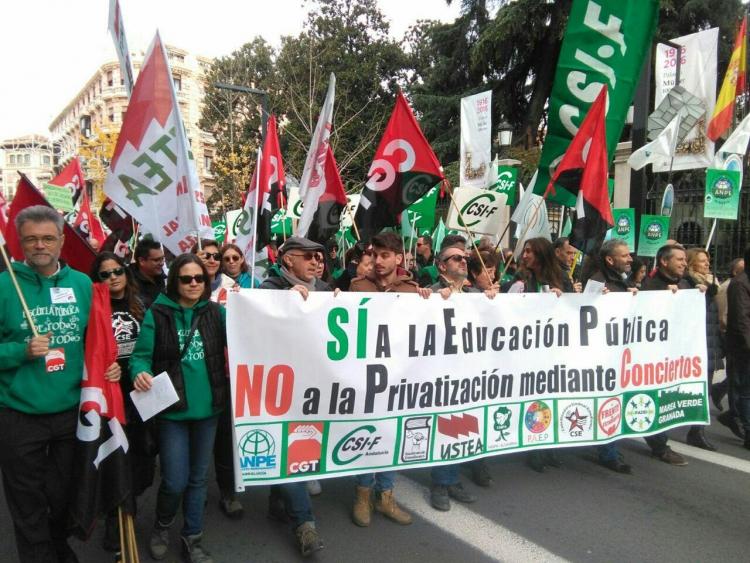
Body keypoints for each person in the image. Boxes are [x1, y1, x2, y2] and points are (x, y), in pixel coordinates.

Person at [0, 205, 119, 562]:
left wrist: (109, 367)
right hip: (19, 412)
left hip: (72, 411)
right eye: (32, 239)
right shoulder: (5, 284)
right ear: (19, 242)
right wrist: (18, 351)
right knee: (27, 499)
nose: (40, 245)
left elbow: (95, 342)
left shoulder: (82, 284)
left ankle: (56, 543)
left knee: (65, 492)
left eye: (47, 238)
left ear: (61, 241)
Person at [131, 254, 228, 563]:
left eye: (199, 278)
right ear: (175, 281)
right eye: (186, 278)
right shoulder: (157, 313)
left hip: (209, 411)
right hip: (172, 411)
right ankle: (161, 525)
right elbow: (140, 356)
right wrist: (139, 372)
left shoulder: (216, 312)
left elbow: (254, 325)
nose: (194, 284)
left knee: (198, 479)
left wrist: (294, 299)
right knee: (174, 480)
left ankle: (192, 537)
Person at [348, 232, 429, 526]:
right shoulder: (356, 288)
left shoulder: (412, 291)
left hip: (398, 380)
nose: (379, 261)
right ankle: (362, 494)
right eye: (375, 255)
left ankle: (386, 496)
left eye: (385, 255)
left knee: (391, 436)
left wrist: (438, 298)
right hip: (365, 377)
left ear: (399, 258)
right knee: (365, 433)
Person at [259, 236, 326, 556]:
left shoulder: (324, 290)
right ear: (287, 260)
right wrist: (282, 302)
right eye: (309, 256)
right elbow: (253, 323)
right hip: (278, 386)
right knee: (291, 453)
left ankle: (277, 501)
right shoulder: (268, 288)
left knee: (298, 446)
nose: (316, 262)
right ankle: (305, 524)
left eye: (320, 258)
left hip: (315, 385)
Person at [90, 252, 156, 552]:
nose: (113, 277)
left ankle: (127, 501)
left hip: (141, 394)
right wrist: (104, 369)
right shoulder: (93, 308)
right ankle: (117, 525)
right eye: (105, 274)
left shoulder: (142, 304)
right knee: (118, 461)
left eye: (118, 271)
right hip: (111, 396)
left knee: (144, 462)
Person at [429, 238, 497, 509]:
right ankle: (440, 484)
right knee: (444, 428)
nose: (463, 261)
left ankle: (451, 478)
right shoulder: (430, 294)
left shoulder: (474, 298)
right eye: (456, 258)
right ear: (441, 266)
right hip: (439, 374)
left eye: (464, 258)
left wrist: (492, 302)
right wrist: (433, 300)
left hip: (468, 374)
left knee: (462, 426)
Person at [511, 237, 570, 471]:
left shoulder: (561, 278)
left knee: (552, 399)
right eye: (524, 251)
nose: (524, 256)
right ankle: (534, 448)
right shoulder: (521, 278)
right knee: (533, 400)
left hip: (553, 348)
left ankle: (550, 447)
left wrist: (562, 297)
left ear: (542, 254)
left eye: (529, 252)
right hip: (528, 349)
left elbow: (574, 309)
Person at [640, 244, 696, 466]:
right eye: (679, 259)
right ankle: (659, 445)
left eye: (685, 259)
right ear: (664, 261)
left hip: (673, 355)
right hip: (652, 356)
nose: (684, 263)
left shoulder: (684, 284)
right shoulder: (651, 287)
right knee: (653, 398)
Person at [586, 240, 637, 474]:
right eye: (625, 255)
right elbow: (583, 313)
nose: (630, 259)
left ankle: (609, 447)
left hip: (619, 353)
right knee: (609, 401)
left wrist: (634, 295)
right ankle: (608, 452)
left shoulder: (622, 280)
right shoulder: (598, 280)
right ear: (610, 260)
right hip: (602, 356)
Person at [683, 248, 721, 451]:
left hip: (708, 343)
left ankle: (697, 431)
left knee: (704, 390)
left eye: (708, 260)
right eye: (702, 261)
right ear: (691, 264)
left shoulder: (711, 283)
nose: (707, 264)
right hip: (696, 345)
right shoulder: (689, 283)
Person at [726, 246, 750, 449]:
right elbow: (741, 320)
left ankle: (733, 414)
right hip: (744, 349)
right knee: (746, 391)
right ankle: (748, 430)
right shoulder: (740, 284)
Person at [714, 257, 745, 415]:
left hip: (739, 336)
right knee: (737, 375)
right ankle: (735, 413)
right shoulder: (730, 286)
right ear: (735, 271)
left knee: (738, 375)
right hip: (732, 336)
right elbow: (724, 316)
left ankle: (719, 390)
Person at [192, 240, 235, 305]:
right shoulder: (186, 287)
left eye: (216, 256)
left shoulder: (230, 286)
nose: (212, 261)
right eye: (206, 256)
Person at [130, 238, 166, 309]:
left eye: (162, 258)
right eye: (156, 260)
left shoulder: (162, 277)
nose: (162, 263)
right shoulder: (130, 283)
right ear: (142, 261)